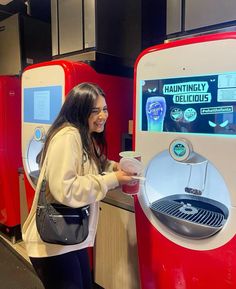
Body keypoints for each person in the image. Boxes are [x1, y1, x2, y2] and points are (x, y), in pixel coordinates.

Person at [22, 82, 134, 289]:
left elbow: (94, 164)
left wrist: (115, 167)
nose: (103, 116)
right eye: (95, 111)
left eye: (105, 109)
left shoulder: (83, 135)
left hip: (69, 237)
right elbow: (65, 188)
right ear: (79, 110)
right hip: (53, 244)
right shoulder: (68, 136)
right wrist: (113, 179)